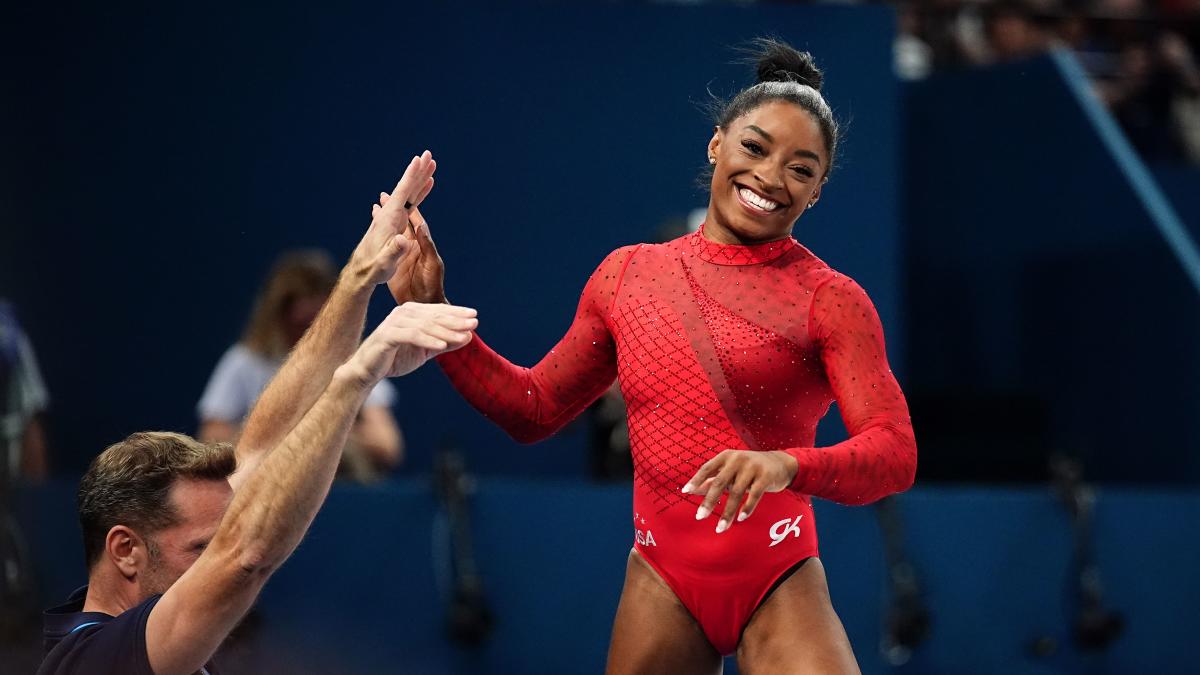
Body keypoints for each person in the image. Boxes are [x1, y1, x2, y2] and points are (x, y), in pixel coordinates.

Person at [385, 41, 917, 673]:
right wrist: (439, 315)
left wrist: (786, 466)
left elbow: (893, 453)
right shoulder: (627, 275)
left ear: (818, 191)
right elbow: (534, 410)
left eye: (801, 169)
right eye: (755, 147)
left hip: (779, 574)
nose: (772, 177)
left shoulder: (831, 300)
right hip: (662, 576)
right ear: (716, 144)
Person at [38, 151, 480, 675]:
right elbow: (245, 553)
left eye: (217, 536)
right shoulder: (91, 659)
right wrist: (356, 375)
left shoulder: (142, 636)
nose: (218, 552)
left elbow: (266, 442)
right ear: (126, 550)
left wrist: (364, 271)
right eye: (203, 547)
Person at [197, 249, 404, 481]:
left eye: (318, 323)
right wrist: (280, 435)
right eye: (301, 325)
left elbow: (387, 445)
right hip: (261, 489)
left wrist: (324, 432)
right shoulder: (244, 362)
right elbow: (210, 439)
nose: (309, 335)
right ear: (278, 317)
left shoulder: (355, 360)